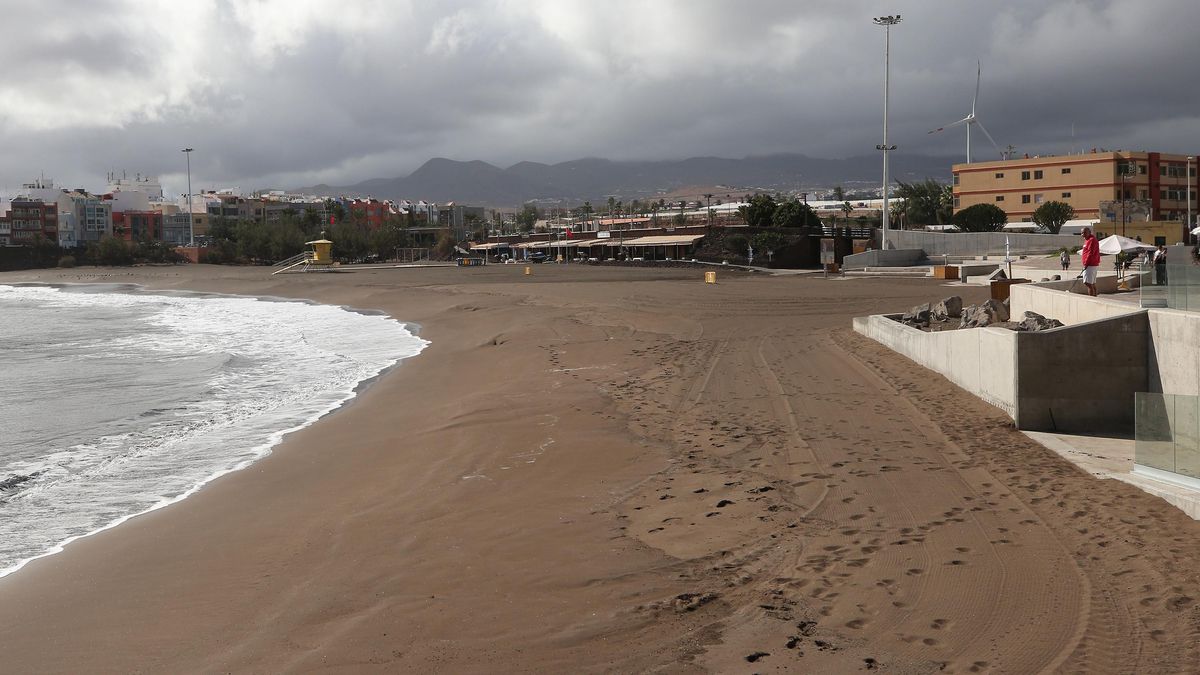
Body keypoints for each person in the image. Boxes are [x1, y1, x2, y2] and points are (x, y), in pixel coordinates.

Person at [1080, 227, 1101, 296]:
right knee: (1091, 283)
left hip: (1090, 265)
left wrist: (1086, 264)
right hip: (1091, 265)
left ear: (1089, 232)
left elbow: (1090, 253)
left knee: (1088, 283)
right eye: (1082, 233)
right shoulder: (1088, 240)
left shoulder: (1091, 240)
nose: (1082, 234)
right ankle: (1095, 296)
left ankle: (1091, 298)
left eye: (1084, 233)